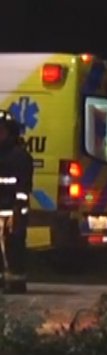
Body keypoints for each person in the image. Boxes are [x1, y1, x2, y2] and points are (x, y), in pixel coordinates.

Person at [0, 108, 33, 294]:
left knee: (13, 250)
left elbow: (23, 187)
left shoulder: (19, 157)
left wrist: (18, 210)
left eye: (1, 130)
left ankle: (16, 283)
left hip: (12, 213)